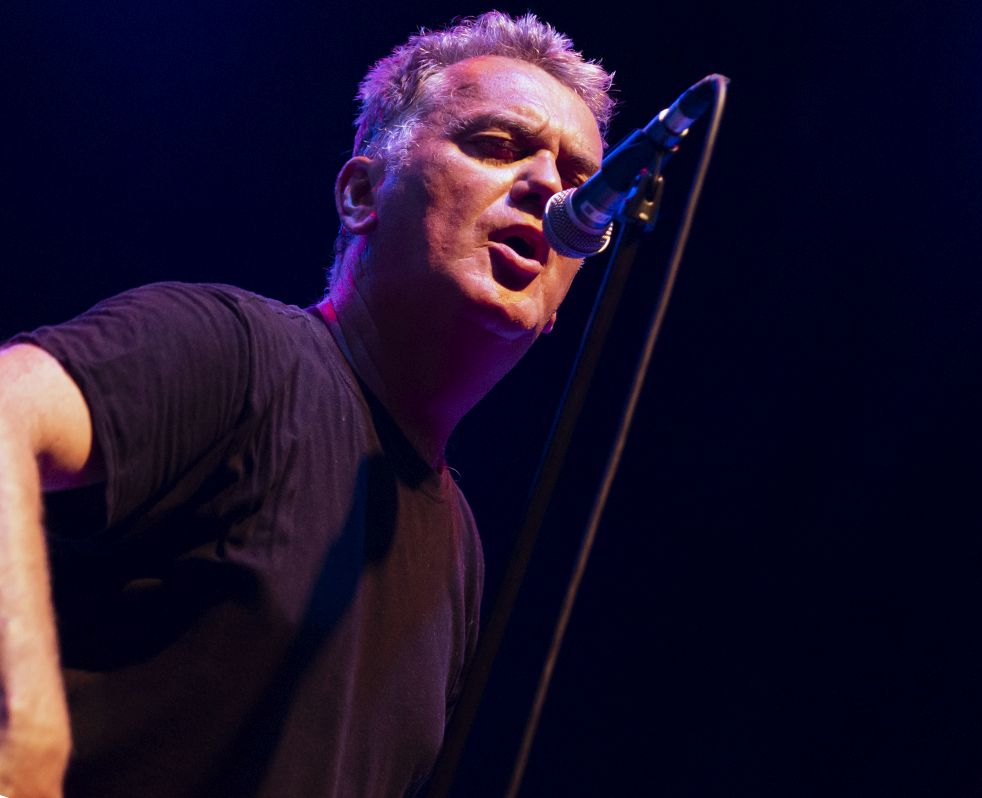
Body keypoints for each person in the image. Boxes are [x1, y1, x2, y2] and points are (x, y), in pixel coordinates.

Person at [0, 11, 614, 797]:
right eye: (496, 145)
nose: (549, 189)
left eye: (581, 186)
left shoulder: (461, 558)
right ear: (361, 194)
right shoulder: (234, 355)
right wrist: (28, 741)